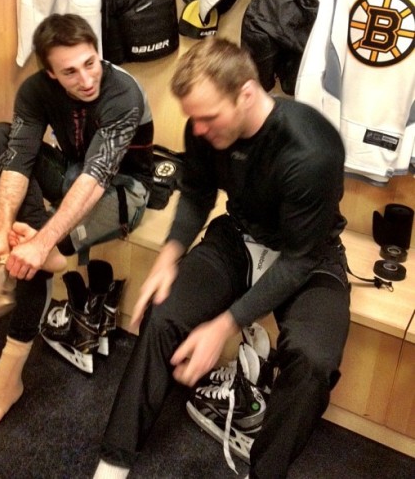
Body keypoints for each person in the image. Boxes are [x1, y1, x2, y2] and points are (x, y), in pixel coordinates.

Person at [93, 37, 350, 479]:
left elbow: (297, 262)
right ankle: (114, 463)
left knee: (314, 361)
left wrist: (225, 324)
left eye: (208, 118)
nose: (198, 131)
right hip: (238, 235)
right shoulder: (205, 127)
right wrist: (169, 256)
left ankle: (264, 472)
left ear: (247, 94)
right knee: (164, 311)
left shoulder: (311, 149)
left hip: (308, 255)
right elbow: (196, 193)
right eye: (193, 119)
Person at [0, 13, 154, 436]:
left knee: (37, 249)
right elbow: (19, 157)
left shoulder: (124, 95)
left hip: (122, 189)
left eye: (90, 63)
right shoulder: (35, 91)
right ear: (50, 73)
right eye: (69, 71)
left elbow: (96, 178)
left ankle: (6, 380)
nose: (85, 79)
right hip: (71, 176)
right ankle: (38, 251)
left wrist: (42, 242)